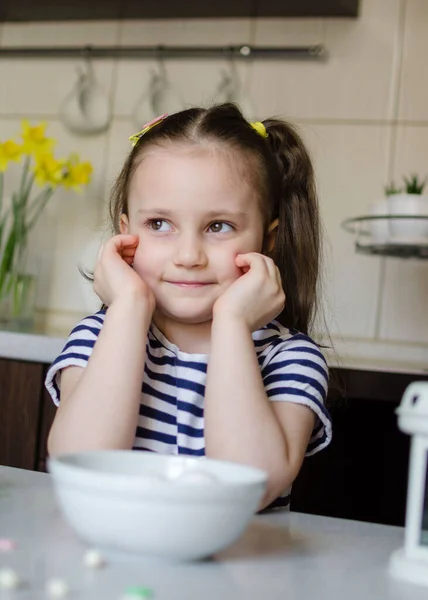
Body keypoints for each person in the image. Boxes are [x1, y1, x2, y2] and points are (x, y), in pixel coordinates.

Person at [45, 103, 332, 511]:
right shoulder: (100, 337)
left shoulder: (291, 358)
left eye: (219, 226)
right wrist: (129, 305)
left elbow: (253, 486)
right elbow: (78, 464)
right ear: (126, 234)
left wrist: (231, 324)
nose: (188, 255)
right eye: (160, 224)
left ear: (268, 240)